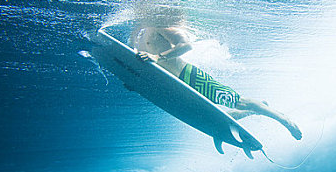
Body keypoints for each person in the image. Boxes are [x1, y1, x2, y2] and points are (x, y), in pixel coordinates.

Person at [129, 25, 302, 140]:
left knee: (238, 101)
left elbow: (186, 45)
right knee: (212, 118)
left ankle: (284, 120)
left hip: (189, 76)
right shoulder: (136, 35)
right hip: (172, 86)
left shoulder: (160, 25)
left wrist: (157, 57)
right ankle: (255, 109)